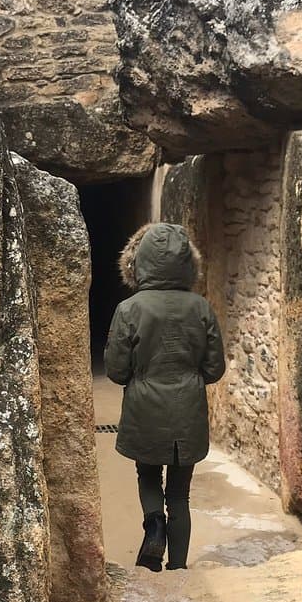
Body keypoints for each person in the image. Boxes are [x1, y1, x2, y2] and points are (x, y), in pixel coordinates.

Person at [104, 222, 226, 572]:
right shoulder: (201, 308)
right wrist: (188, 379)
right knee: (180, 495)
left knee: (147, 476)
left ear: (138, 263)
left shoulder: (129, 309)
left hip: (145, 409)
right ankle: (178, 567)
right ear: (189, 264)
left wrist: (142, 377)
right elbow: (214, 368)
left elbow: (115, 370)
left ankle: (153, 523)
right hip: (187, 412)